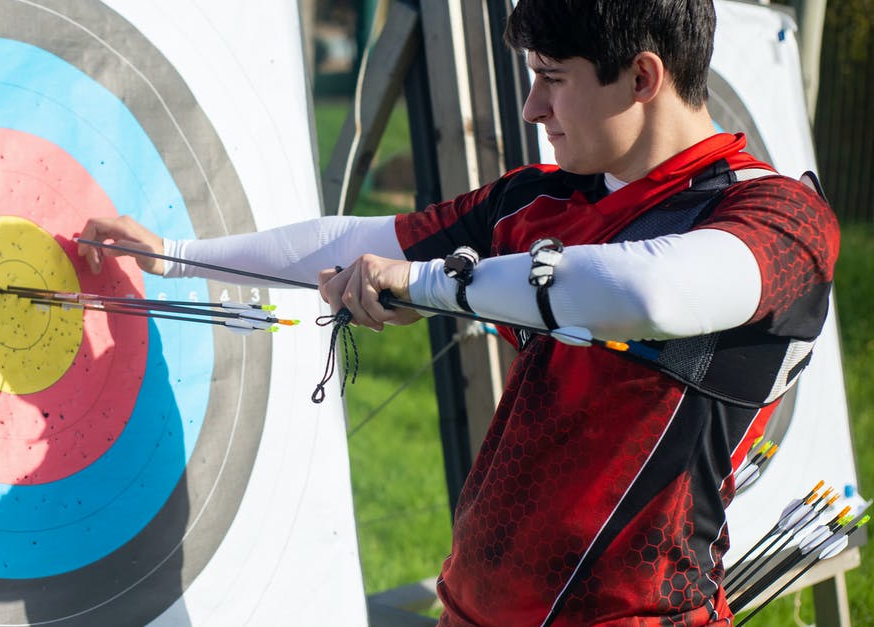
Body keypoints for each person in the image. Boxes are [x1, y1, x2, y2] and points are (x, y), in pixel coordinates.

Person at [77, 0, 840, 624]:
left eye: (553, 78)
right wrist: (175, 253)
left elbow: (646, 294)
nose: (533, 105)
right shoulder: (540, 197)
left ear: (643, 76)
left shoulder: (778, 217)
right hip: (474, 608)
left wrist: (433, 285)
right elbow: (349, 241)